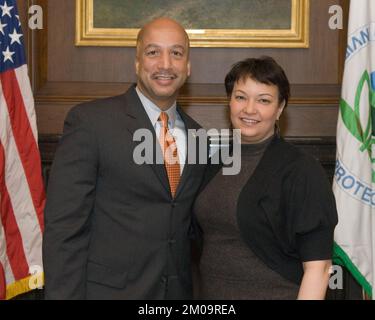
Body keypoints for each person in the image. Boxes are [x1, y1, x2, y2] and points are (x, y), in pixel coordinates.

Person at [43, 17, 207, 300]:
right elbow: (64, 231)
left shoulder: (199, 137)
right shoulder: (91, 123)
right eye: (153, 52)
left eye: (176, 53)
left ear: (188, 67)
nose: (165, 64)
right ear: (137, 63)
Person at [193, 56, 338, 300]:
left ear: (280, 108)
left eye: (264, 100)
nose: (249, 109)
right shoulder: (214, 161)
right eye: (241, 97)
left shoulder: (301, 170)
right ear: (229, 101)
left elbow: (319, 269)